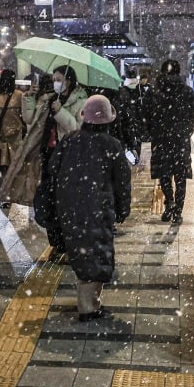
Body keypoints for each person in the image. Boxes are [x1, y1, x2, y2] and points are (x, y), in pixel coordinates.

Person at [46, 95, 131, 321]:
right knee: (98, 255)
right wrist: (123, 208)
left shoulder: (70, 140)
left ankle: (89, 303)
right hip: (98, 209)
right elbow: (122, 181)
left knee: (81, 253)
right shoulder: (112, 145)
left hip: (69, 208)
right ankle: (89, 307)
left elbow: (52, 171)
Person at [144, 59, 194, 223]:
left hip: (161, 140)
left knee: (164, 174)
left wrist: (153, 131)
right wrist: (186, 131)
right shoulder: (186, 91)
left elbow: (145, 114)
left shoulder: (154, 91)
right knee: (180, 176)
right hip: (180, 141)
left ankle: (170, 202)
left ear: (162, 72)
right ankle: (178, 212)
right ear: (178, 71)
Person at [0, 74, 55, 209]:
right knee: (34, 174)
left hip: (38, 141)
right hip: (36, 142)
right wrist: (29, 97)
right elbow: (28, 119)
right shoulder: (40, 98)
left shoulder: (60, 99)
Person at [49, 65, 88, 141]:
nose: (55, 83)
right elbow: (30, 120)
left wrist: (60, 111)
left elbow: (77, 129)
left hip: (65, 146)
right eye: (54, 80)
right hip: (46, 147)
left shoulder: (82, 101)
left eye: (58, 80)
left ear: (68, 82)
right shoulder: (51, 98)